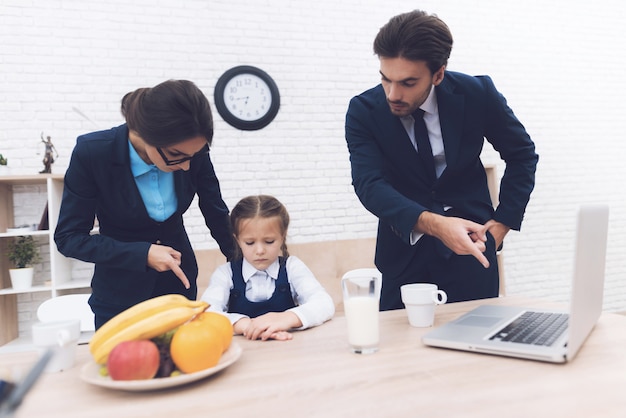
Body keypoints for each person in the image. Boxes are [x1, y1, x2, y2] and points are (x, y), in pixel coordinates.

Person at [345, 10, 538, 310]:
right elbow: (369, 184)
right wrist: (435, 224)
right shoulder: (363, 111)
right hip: (402, 258)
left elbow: (522, 154)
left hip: (473, 252)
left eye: (408, 83)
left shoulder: (478, 94)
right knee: (403, 355)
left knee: (478, 347)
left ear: (438, 74)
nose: (393, 94)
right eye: (386, 79)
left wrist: (501, 225)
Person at [54, 79, 235, 329]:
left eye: (195, 155)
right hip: (119, 298)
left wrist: (243, 264)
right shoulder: (93, 153)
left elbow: (216, 212)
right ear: (145, 135)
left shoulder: (190, 152)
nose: (186, 167)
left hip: (178, 292)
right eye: (176, 157)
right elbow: (69, 238)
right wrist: (142, 253)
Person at [201, 195, 335, 341]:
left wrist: (286, 318)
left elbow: (324, 303)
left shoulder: (292, 267)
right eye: (250, 242)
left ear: (283, 236)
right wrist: (247, 326)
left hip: (288, 350)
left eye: (269, 241)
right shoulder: (225, 274)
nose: (259, 250)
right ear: (237, 240)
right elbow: (206, 313)